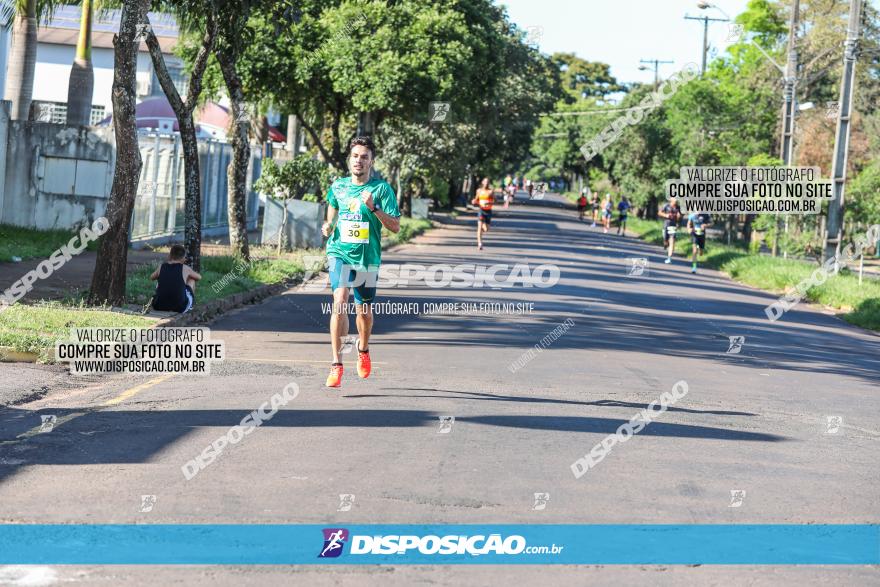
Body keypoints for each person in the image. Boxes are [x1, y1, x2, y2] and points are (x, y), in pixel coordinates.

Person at [321, 136, 401, 388]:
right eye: (355, 156)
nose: (359, 160)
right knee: (339, 300)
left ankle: (363, 349)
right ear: (349, 160)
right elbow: (332, 208)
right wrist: (328, 224)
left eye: (364, 157)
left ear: (371, 162)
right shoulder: (339, 186)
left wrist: (374, 208)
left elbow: (396, 227)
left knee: (363, 312)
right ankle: (336, 364)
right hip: (339, 252)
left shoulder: (381, 190)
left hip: (367, 259)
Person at [149, 244, 200, 313]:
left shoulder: (162, 266)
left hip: (158, 306)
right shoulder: (185, 268)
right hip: (180, 307)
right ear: (183, 258)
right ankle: (190, 306)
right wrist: (185, 277)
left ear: (169, 256)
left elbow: (152, 277)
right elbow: (199, 277)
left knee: (159, 280)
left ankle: (162, 298)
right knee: (192, 279)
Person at [472, 177, 495, 250]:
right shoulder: (479, 191)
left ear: (489, 183)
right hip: (481, 210)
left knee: (486, 229)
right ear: (482, 182)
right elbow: (476, 200)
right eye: (485, 182)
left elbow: (495, 200)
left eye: (487, 182)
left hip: (488, 211)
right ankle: (480, 243)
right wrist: (474, 201)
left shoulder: (490, 192)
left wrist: (489, 202)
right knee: (479, 227)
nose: (486, 183)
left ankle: (481, 231)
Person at [659, 197, 683, 263]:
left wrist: (679, 217)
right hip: (666, 225)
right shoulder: (666, 206)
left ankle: (669, 258)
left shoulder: (678, 208)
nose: (676, 200)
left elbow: (680, 218)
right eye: (674, 198)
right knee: (666, 241)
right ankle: (665, 244)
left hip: (673, 226)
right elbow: (659, 213)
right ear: (671, 199)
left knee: (672, 241)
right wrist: (666, 215)